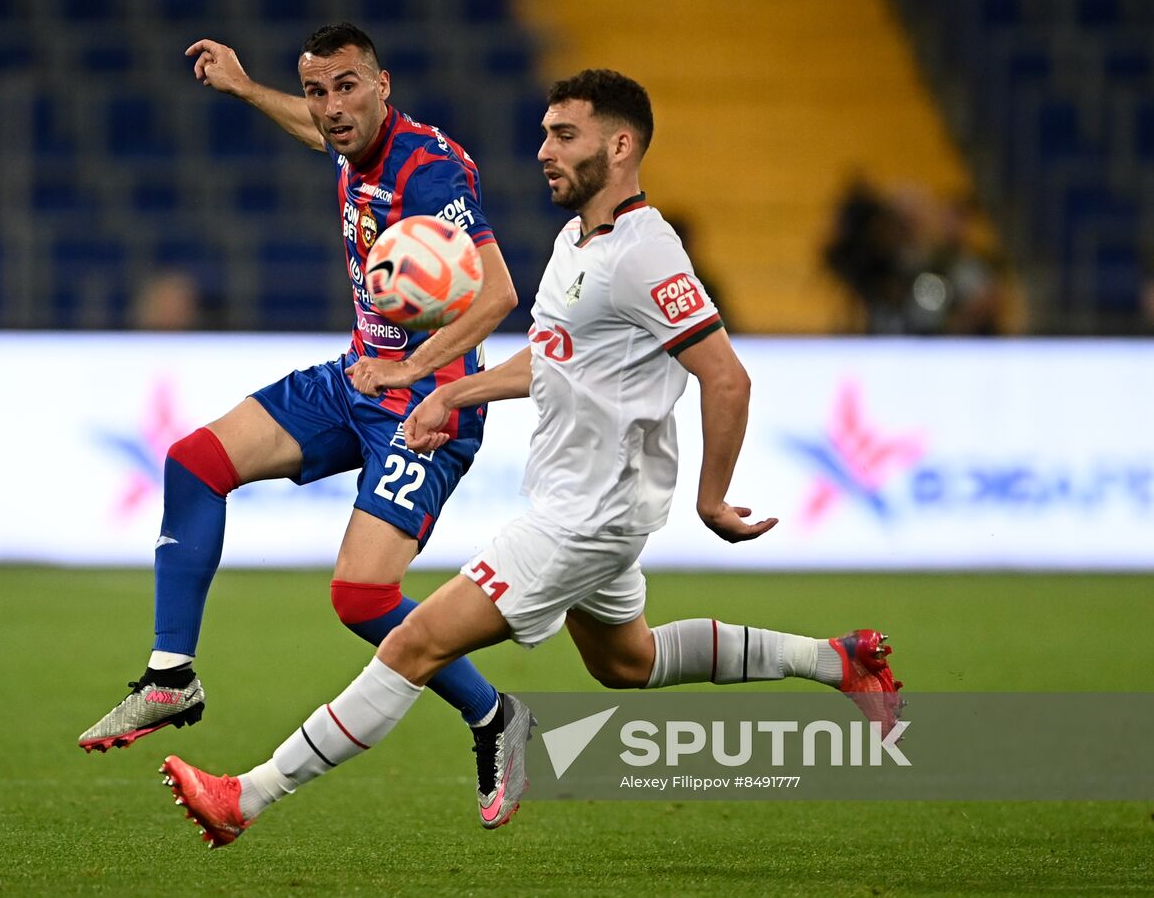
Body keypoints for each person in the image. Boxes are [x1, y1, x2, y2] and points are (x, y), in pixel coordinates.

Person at [156, 69, 904, 847]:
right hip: (580, 502)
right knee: (628, 662)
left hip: (585, 517)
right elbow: (552, 358)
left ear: (620, 146)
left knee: (413, 642)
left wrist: (712, 499)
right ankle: (837, 661)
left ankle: (246, 795)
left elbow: (726, 375)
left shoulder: (646, 254)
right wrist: (443, 390)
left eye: (564, 135)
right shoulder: (578, 240)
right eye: (545, 132)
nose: (543, 149)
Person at [79, 23, 521, 807]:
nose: (329, 108)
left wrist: (413, 368)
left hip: (428, 401)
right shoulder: (346, 138)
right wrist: (249, 89)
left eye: (346, 86)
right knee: (194, 461)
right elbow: (312, 127)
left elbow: (497, 294)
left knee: (361, 598)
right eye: (318, 91)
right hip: (356, 379)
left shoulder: (430, 170)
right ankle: (170, 675)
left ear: (384, 84)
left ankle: (494, 715)